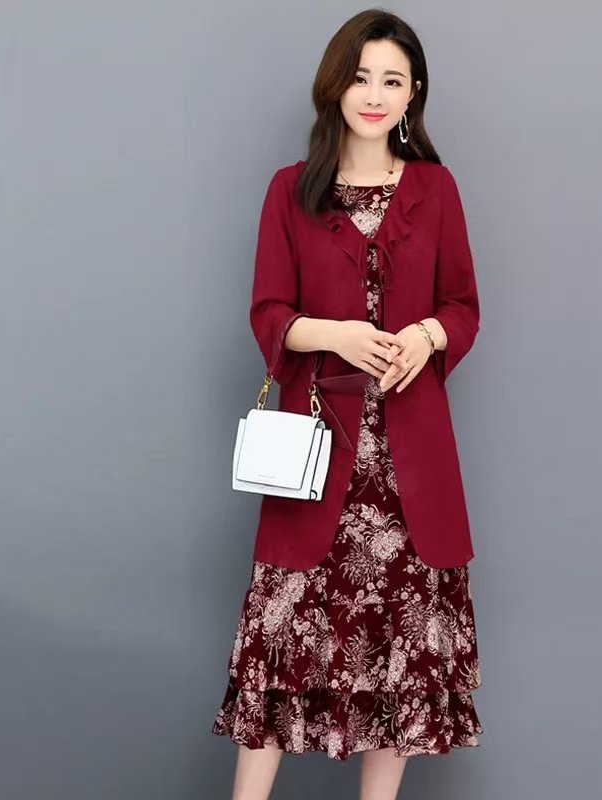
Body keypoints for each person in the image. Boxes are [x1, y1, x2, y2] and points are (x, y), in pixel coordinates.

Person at [212, 9, 483, 799]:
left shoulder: (435, 190)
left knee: (400, 656)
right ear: (335, 85)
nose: (374, 94)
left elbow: (464, 306)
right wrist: (337, 333)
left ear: (413, 93)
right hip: (316, 461)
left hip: (410, 469)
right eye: (360, 77)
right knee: (277, 648)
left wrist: (426, 336)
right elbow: (268, 313)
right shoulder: (290, 190)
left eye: (392, 80)